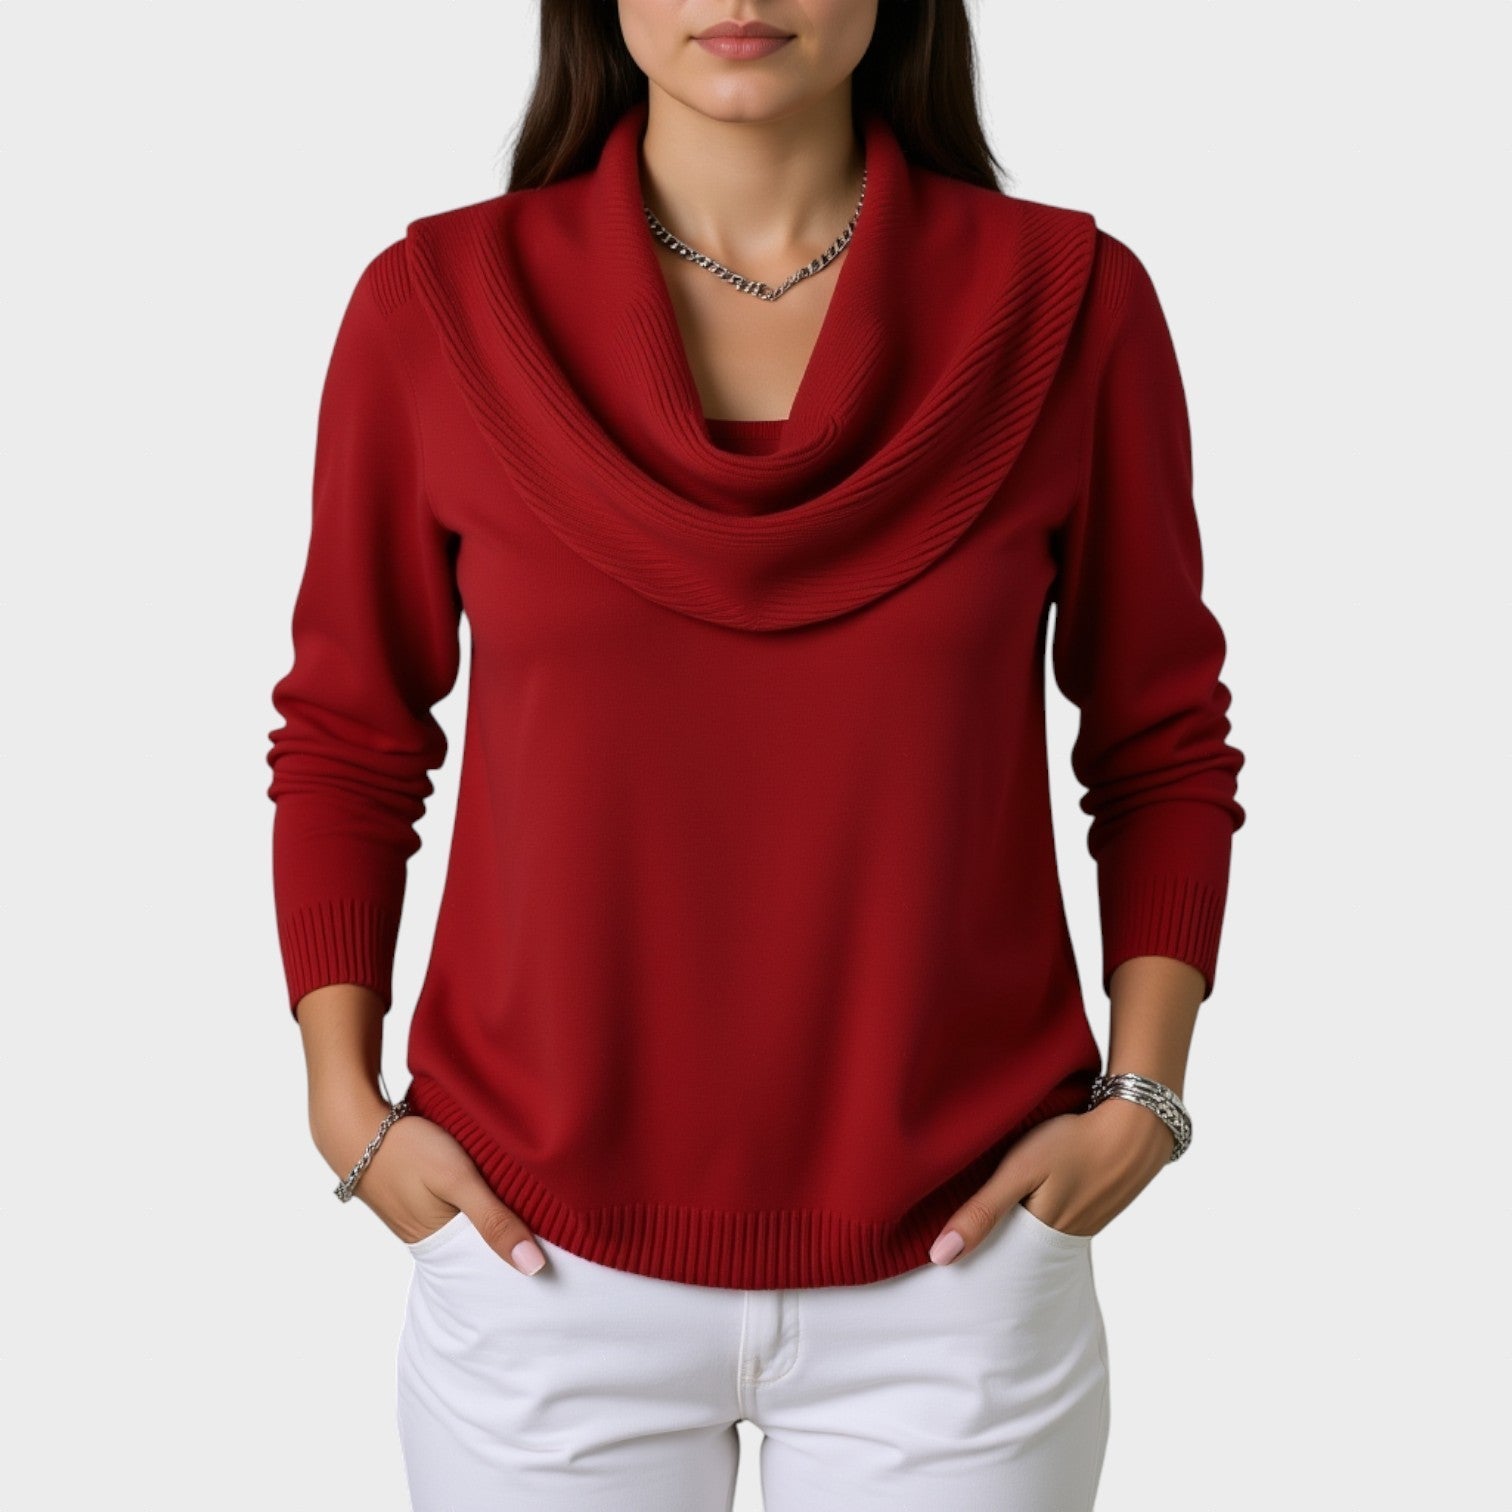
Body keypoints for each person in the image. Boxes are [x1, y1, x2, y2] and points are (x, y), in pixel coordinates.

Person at [264, 2, 1246, 1508]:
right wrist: (343, 1101)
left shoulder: (1066, 305)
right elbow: (351, 732)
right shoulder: (439, 307)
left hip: (963, 1263)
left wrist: (1147, 1099)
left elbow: (1159, 736)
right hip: (534, 1259)